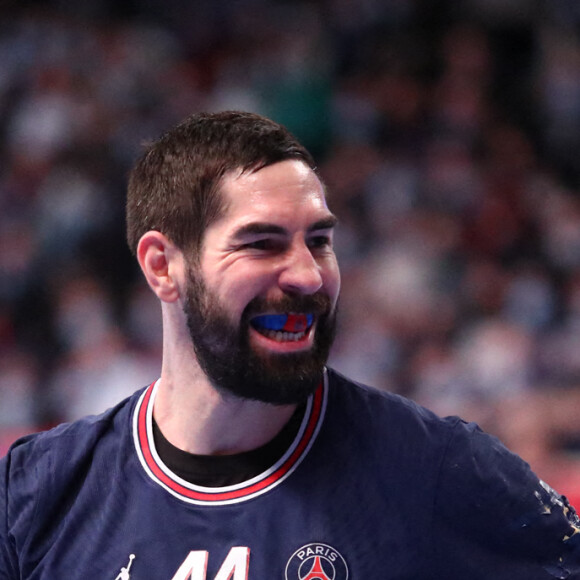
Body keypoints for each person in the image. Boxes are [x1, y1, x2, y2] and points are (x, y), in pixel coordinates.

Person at [1, 111, 579, 580]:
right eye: (261, 244)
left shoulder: (436, 470)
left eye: (320, 240)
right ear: (162, 266)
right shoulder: (37, 493)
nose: (308, 276)